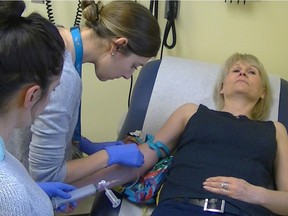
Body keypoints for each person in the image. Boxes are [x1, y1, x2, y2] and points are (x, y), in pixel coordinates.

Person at [78, 53, 288, 216]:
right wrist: (78, 188)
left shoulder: (275, 130)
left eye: (252, 72)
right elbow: (142, 159)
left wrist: (254, 194)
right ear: (222, 87)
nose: (243, 73)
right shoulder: (191, 112)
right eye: (236, 70)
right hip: (179, 209)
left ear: (263, 92)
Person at [7, 0, 160, 184]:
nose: (128, 76)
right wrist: (107, 157)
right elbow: (44, 175)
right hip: (19, 184)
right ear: (117, 45)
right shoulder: (64, 77)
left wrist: (83, 143)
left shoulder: (57, 36)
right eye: (134, 66)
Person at [0, 1, 79, 215]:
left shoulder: (6, 157)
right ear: (33, 95)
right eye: (53, 90)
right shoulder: (10, 193)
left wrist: (35, 194)